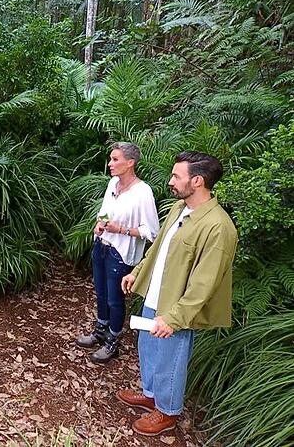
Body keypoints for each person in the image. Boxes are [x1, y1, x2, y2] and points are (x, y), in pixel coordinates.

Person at [117, 151, 237, 436]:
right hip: (155, 295)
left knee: (172, 355)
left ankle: (168, 412)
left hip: (178, 307)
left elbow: (204, 284)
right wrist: (137, 272)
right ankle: (151, 394)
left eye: (176, 176)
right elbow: (158, 248)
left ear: (197, 181)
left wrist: (174, 318)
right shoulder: (178, 209)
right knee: (149, 348)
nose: (170, 181)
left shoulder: (218, 227)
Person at [76, 142, 160, 363]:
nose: (110, 164)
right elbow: (104, 212)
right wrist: (99, 225)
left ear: (130, 162)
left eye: (115, 159)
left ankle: (113, 340)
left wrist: (121, 230)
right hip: (102, 245)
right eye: (110, 159)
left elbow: (152, 231)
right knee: (101, 293)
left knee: (115, 299)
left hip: (121, 254)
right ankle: (100, 329)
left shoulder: (143, 192)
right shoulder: (113, 183)